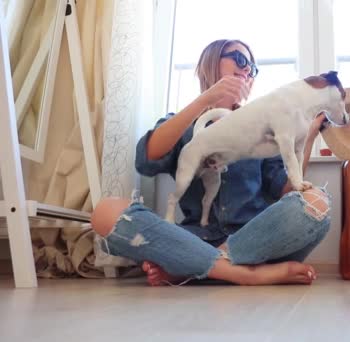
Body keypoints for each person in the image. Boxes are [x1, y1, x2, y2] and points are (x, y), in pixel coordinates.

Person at [91, 39, 331, 286]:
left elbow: (289, 189)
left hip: (255, 237)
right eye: (240, 59)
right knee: (105, 213)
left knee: (317, 202)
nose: (247, 69)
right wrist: (206, 99)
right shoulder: (181, 123)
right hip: (196, 236)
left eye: (253, 68)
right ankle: (244, 273)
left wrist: (309, 135)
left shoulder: (265, 130)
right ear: (211, 62)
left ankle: (193, 266)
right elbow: (146, 160)